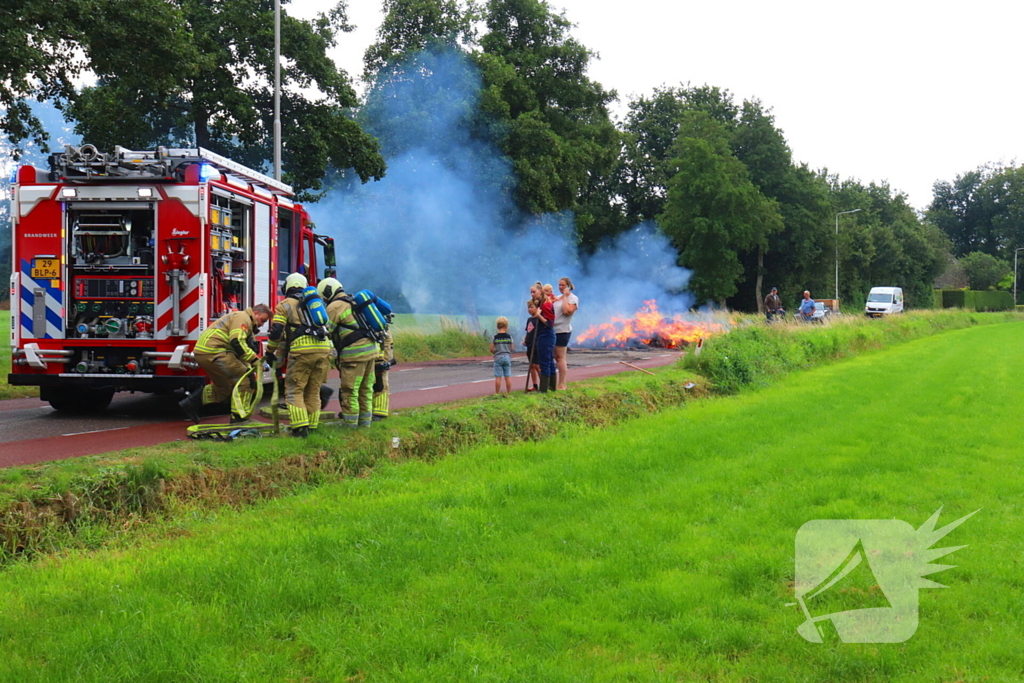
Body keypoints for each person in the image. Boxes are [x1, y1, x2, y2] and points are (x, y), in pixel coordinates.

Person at [266, 273, 333, 437]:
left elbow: (277, 333)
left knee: (293, 390)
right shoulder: (317, 306)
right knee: (313, 390)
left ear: (286, 287)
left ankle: (299, 429)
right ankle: (312, 427)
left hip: (302, 350)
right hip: (324, 349)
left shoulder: (285, 305)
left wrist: (270, 352)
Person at [179, 304, 271, 424]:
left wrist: (251, 361)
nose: (262, 324)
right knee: (246, 381)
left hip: (205, 353)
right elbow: (237, 342)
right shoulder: (243, 318)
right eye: (262, 320)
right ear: (256, 313)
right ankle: (239, 418)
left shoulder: (241, 319)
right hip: (215, 352)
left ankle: (191, 403)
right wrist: (255, 362)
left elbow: (240, 348)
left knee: (224, 388)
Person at [318, 277, 377, 429]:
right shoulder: (354, 301)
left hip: (354, 356)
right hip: (371, 352)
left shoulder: (335, 307)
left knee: (350, 391)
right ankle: (365, 426)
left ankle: (350, 427)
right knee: (366, 390)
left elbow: (325, 331)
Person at [552, 277, 579, 390]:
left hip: (562, 330)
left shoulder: (573, 298)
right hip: (551, 330)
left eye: (563, 285)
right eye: (559, 285)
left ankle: (562, 383)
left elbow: (566, 311)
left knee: (560, 357)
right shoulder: (556, 298)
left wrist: (565, 297)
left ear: (568, 286)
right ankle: (551, 383)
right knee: (551, 356)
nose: (560, 287)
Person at [535, 284, 557, 392]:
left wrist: (538, 315)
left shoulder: (546, 305)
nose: (532, 294)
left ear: (540, 291)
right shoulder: (542, 303)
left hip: (546, 335)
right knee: (549, 361)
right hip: (544, 334)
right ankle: (552, 388)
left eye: (534, 292)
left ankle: (543, 390)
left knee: (545, 362)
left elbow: (550, 323)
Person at [372, 328, 394, 421]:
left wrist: (383, 359)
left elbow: (387, 341)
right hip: (374, 353)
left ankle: (380, 412)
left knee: (380, 383)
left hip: (379, 354)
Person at [490, 316, 514, 395]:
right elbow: (512, 348)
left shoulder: (494, 337)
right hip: (507, 357)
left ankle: (497, 393)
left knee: (498, 377)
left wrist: (495, 352)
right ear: (506, 326)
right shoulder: (509, 337)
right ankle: (509, 392)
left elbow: (491, 349)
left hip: (498, 358)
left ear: (497, 327)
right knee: (507, 377)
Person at [522, 299, 541, 392]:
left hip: (536, 345)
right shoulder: (529, 319)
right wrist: (525, 339)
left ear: (537, 308)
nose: (529, 309)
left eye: (532, 307)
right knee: (531, 366)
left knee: (537, 365)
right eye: (528, 307)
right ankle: (535, 385)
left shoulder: (538, 319)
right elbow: (528, 331)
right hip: (529, 345)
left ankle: (544, 383)